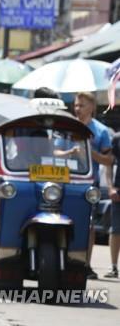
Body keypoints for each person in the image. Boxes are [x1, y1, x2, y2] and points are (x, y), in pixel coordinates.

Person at [73, 92, 113, 279]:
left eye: (81, 105)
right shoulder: (68, 127)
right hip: (66, 181)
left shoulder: (101, 131)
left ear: (92, 107)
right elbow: (55, 150)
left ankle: (85, 264)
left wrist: (89, 151)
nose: (77, 109)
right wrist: (68, 152)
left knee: (88, 225)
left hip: (89, 183)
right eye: (76, 105)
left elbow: (108, 160)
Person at [105, 131, 120, 278]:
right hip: (118, 191)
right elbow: (108, 163)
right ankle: (114, 267)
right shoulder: (116, 138)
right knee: (115, 230)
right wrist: (110, 187)